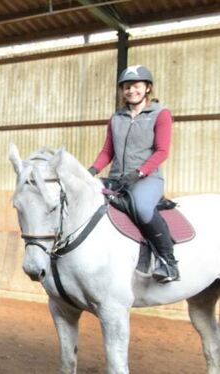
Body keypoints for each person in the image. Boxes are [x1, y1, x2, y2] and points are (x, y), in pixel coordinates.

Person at [89, 64, 178, 283]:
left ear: (147, 88)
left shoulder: (160, 114)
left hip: (148, 178)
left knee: (142, 207)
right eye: (127, 87)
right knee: (85, 196)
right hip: (117, 178)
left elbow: (162, 150)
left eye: (136, 86)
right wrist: (91, 171)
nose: (131, 91)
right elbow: (107, 151)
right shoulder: (116, 118)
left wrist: (139, 173)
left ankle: (168, 262)